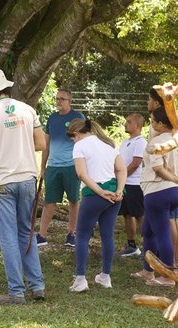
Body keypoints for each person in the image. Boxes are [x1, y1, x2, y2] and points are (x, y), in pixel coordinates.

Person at [0, 69, 47, 304]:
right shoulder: (27, 109)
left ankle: (16, 291)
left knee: (8, 236)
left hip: (2, 181)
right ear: (6, 87)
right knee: (26, 232)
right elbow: (41, 143)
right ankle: (37, 285)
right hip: (27, 178)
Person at [67, 118, 127, 292]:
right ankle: (105, 277)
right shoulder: (109, 144)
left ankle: (80, 279)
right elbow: (121, 169)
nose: (73, 141)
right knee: (107, 235)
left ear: (77, 134)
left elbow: (81, 174)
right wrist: (119, 190)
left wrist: (99, 191)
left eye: (72, 138)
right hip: (114, 195)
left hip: (94, 195)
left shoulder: (80, 146)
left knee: (82, 236)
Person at [132, 107, 178, 286]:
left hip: (158, 192)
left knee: (162, 234)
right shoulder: (176, 140)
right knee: (148, 230)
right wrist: (176, 181)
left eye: (153, 122)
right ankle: (148, 270)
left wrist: (175, 179)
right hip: (173, 192)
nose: (151, 125)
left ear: (162, 124)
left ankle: (167, 276)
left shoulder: (156, 142)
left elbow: (158, 168)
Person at [37, 89, 86, 247]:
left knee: (73, 201)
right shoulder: (52, 118)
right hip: (53, 166)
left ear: (69, 101)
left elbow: (85, 142)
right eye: (57, 98)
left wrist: (82, 166)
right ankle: (42, 235)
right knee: (49, 201)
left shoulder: (78, 117)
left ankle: (72, 234)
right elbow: (46, 144)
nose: (58, 101)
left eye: (62, 99)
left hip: (72, 166)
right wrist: (43, 167)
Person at [148, 89, 178, 266]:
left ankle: (169, 266)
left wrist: (175, 179)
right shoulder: (176, 135)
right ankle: (173, 259)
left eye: (149, 100)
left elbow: (157, 167)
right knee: (172, 221)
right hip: (174, 188)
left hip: (162, 186)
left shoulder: (158, 137)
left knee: (164, 230)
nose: (148, 103)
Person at [117, 113, 147, 257]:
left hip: (135, 184)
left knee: (140, 215)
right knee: (127, 214)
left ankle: (149, 246)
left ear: (137, 125)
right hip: (125, 183)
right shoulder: (125, 142)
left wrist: (122, 176)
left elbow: (135, 163)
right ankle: (132, 246)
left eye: (129, 122)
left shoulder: (141, 142)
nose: (125, 124)